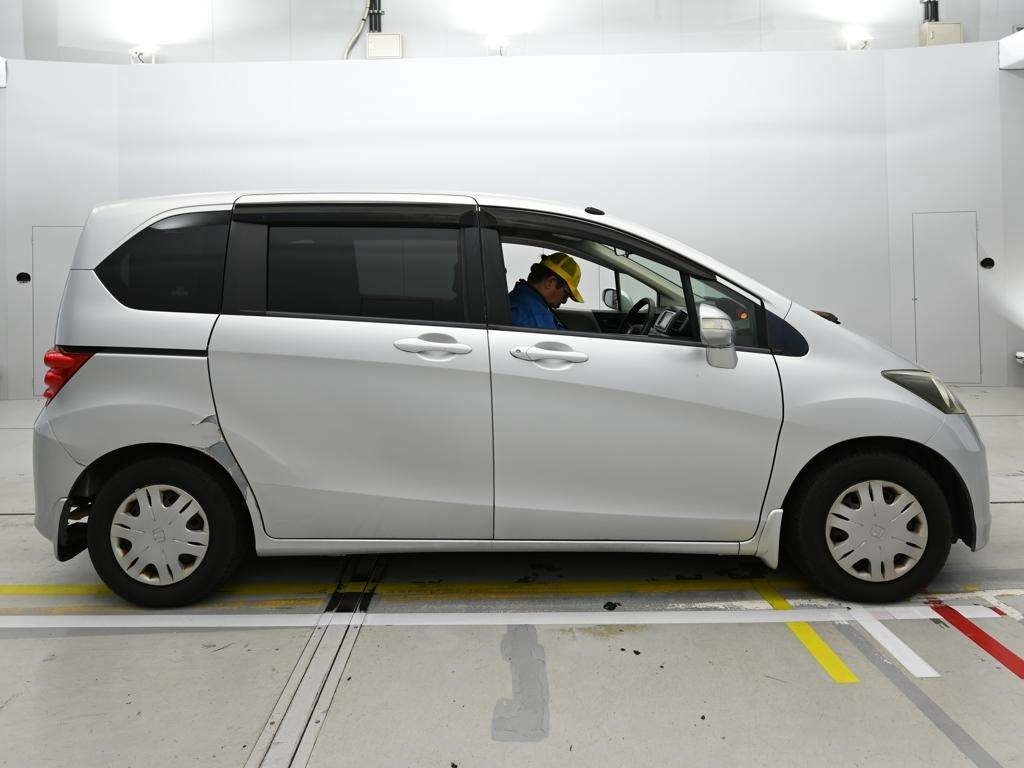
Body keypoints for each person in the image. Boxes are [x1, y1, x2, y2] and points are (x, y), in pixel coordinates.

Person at [507, 252, 584, 330]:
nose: (564, 301)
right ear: (550, 282)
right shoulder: (537, 318)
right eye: (566, 294)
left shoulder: (518, 297)